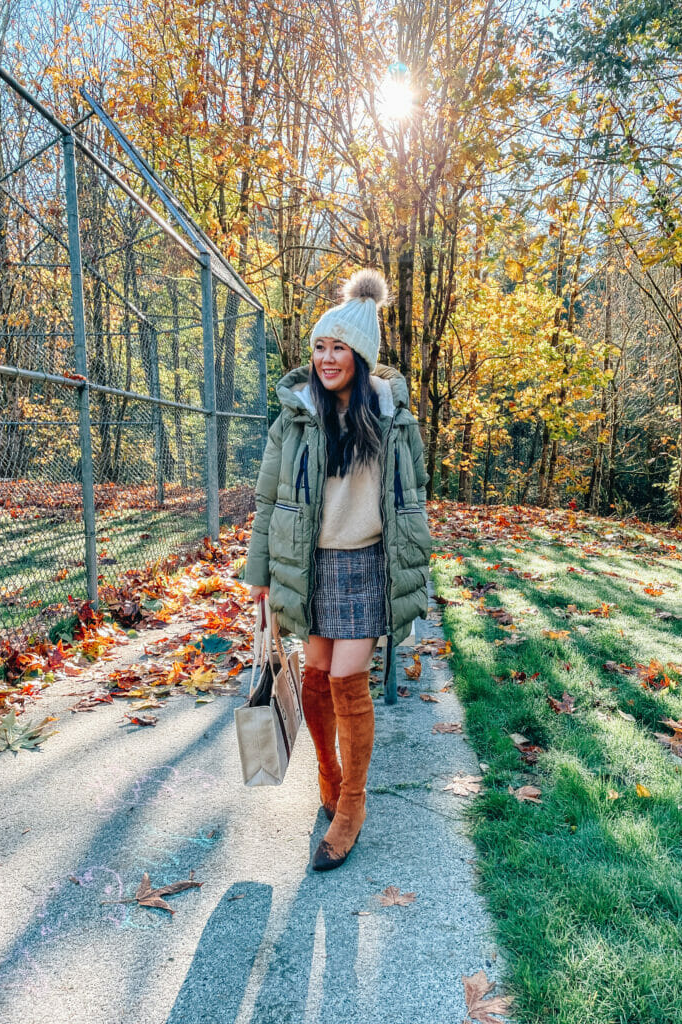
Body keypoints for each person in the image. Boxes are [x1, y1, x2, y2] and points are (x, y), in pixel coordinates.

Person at [245, 268, 431, 871]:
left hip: (367, 564)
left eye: (339, 348)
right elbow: (270, 500)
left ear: (362, 355)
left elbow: (413, 496)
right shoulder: (295, 416)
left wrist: (414, 561)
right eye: (320, 346)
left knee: (349, 681)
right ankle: (327, 774)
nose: (327, 358)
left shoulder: (393, 419)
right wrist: (260, 574)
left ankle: (352, 803)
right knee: (316, 676)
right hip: (310, 563)